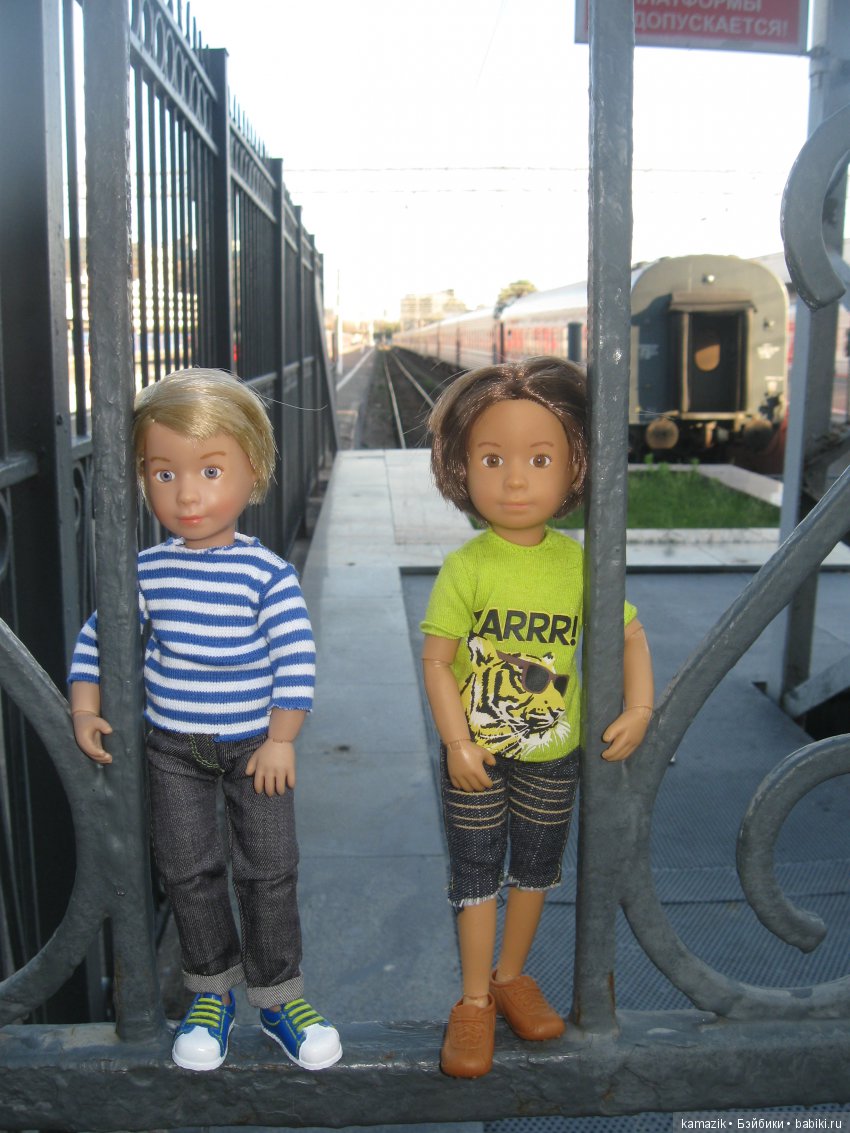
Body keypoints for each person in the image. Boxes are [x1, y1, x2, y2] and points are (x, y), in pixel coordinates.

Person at [69, 368, 341, 1073]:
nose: (187, 494)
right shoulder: (147, 572)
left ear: (254, 472)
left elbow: (296, 660)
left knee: (269, 869)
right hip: (173, 749)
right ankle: (210, 991)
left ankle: (279, 996)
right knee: (188, 870)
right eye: (164, 474)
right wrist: (85, 704)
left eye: (210, 471)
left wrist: (282, 737)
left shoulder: (267, 576)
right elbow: (101, 636)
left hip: (254, 747)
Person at [420, 356, 653, 1078]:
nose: (515, 480)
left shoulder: (577, 564)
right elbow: (437, 661)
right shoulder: (467, 567)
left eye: (540, 459)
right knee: (475, 872)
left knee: (536, 868)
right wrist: (456, 740)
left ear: (576, 466)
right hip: (478, 755)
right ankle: (472, 999)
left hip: (552, 752)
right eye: (492, 459)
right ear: (462, 467)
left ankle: (510, 975)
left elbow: (629, 634)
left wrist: (641, 705)